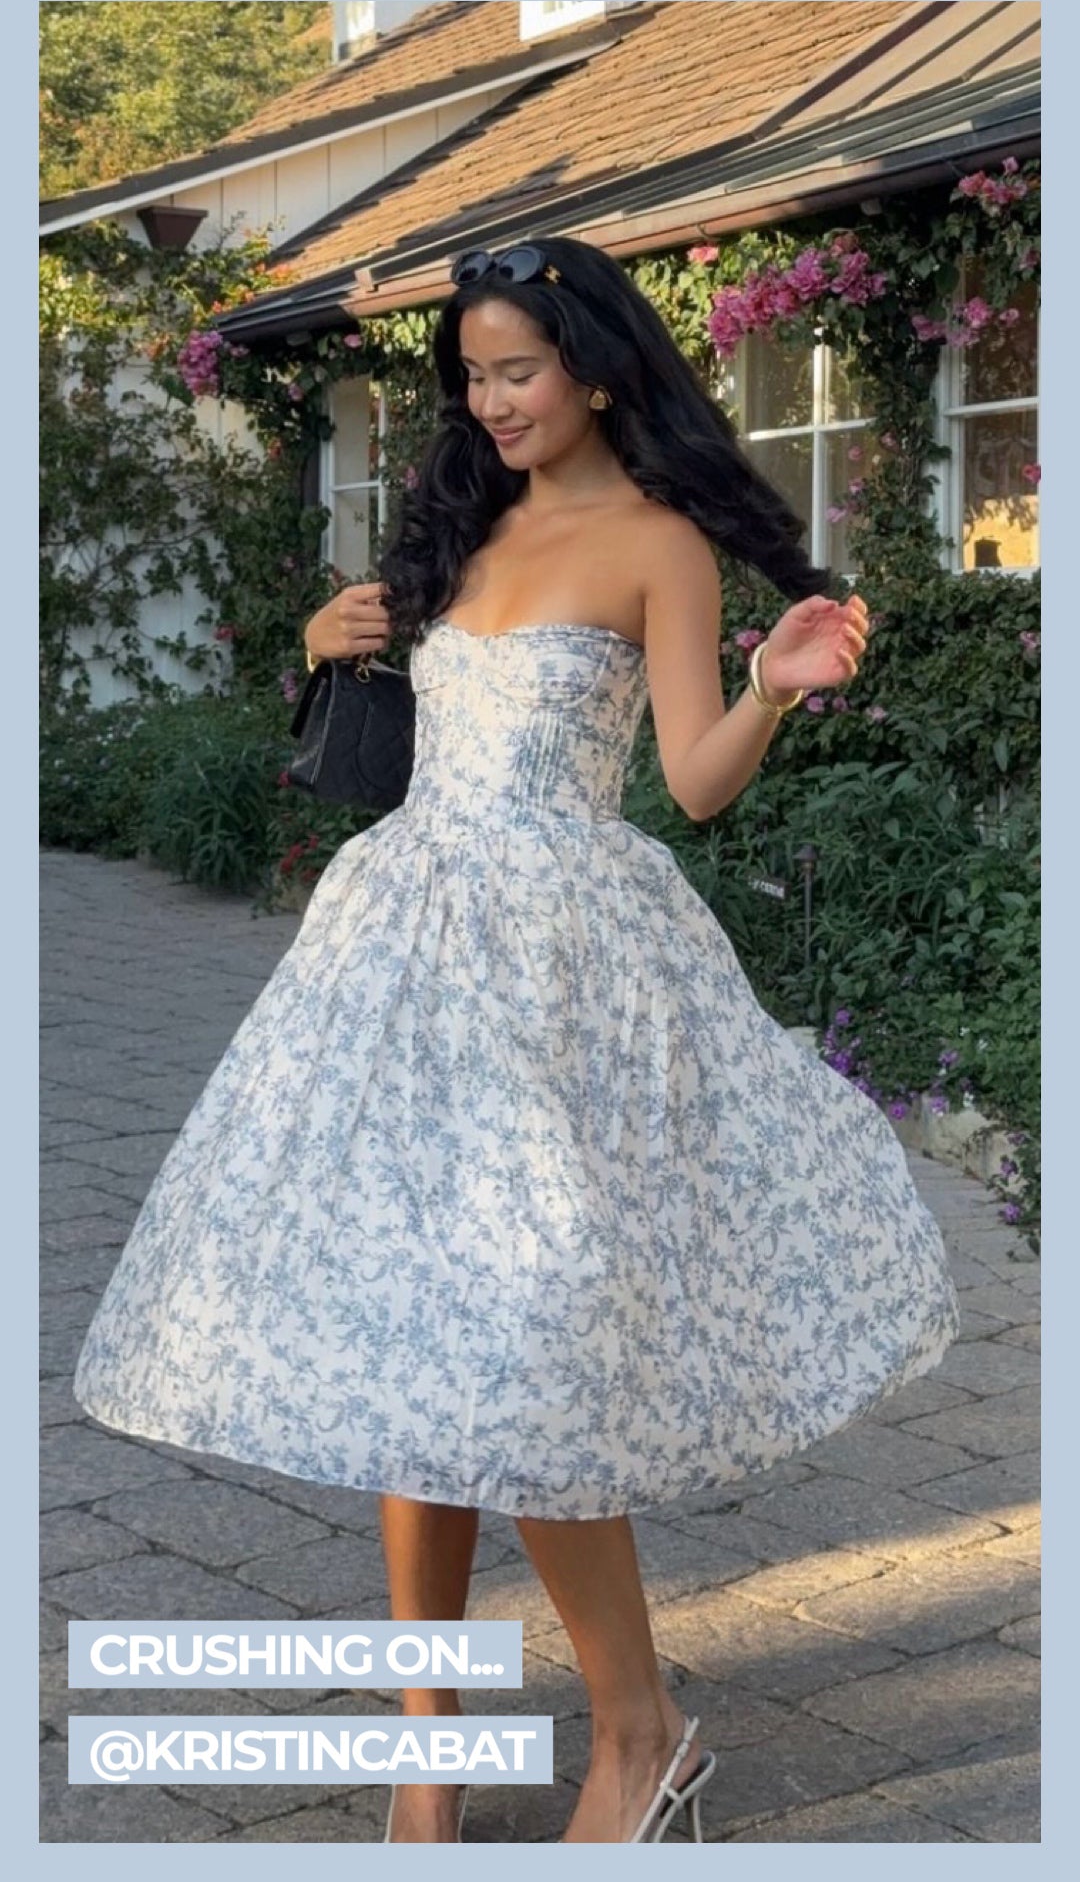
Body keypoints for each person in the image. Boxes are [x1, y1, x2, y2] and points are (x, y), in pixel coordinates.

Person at [72, 235, 961, 1845]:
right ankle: (433, 1751)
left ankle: (640, 1734)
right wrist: (324, 647)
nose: (489, 402)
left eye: (517, 371)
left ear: (595, 371)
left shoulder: (659, 543)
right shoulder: (459, 523)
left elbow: (692, 784)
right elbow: (411, 736)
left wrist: (774, 685)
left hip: (559, 978)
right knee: (412, 1346)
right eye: (472, 375)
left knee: (523, 1351)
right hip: (397, 960)